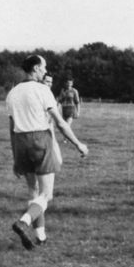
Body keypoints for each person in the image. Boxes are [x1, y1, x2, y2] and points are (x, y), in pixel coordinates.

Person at [7, 55, 88, 250]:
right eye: (43, 67)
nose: (45, 71)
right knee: (46, 194)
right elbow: (60, 123)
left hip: (20, 143)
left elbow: (11, 128)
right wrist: (78, 144)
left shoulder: (12, 93)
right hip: (40, 140)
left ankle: (40, 237)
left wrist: (15, 158)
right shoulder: (43, 90)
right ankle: (24, 222)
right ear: (36, 68)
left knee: (33, 192)